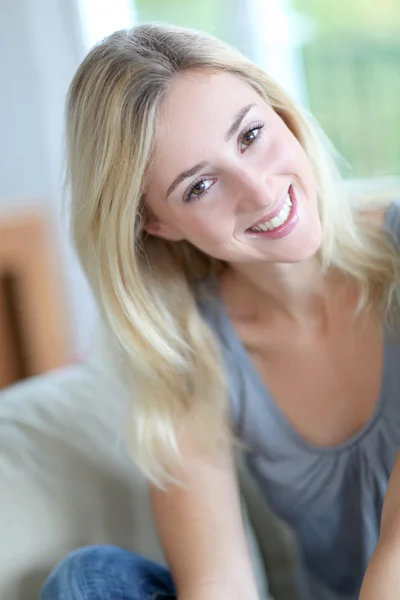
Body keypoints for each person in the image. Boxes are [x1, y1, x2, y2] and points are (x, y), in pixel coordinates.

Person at [40, 22, 400, 600]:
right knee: (89, 581)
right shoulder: (191, 350)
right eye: (200, 187)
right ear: (154, 223)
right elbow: (216, 584)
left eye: (251, 134)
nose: (258, 191)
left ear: (279, 110)